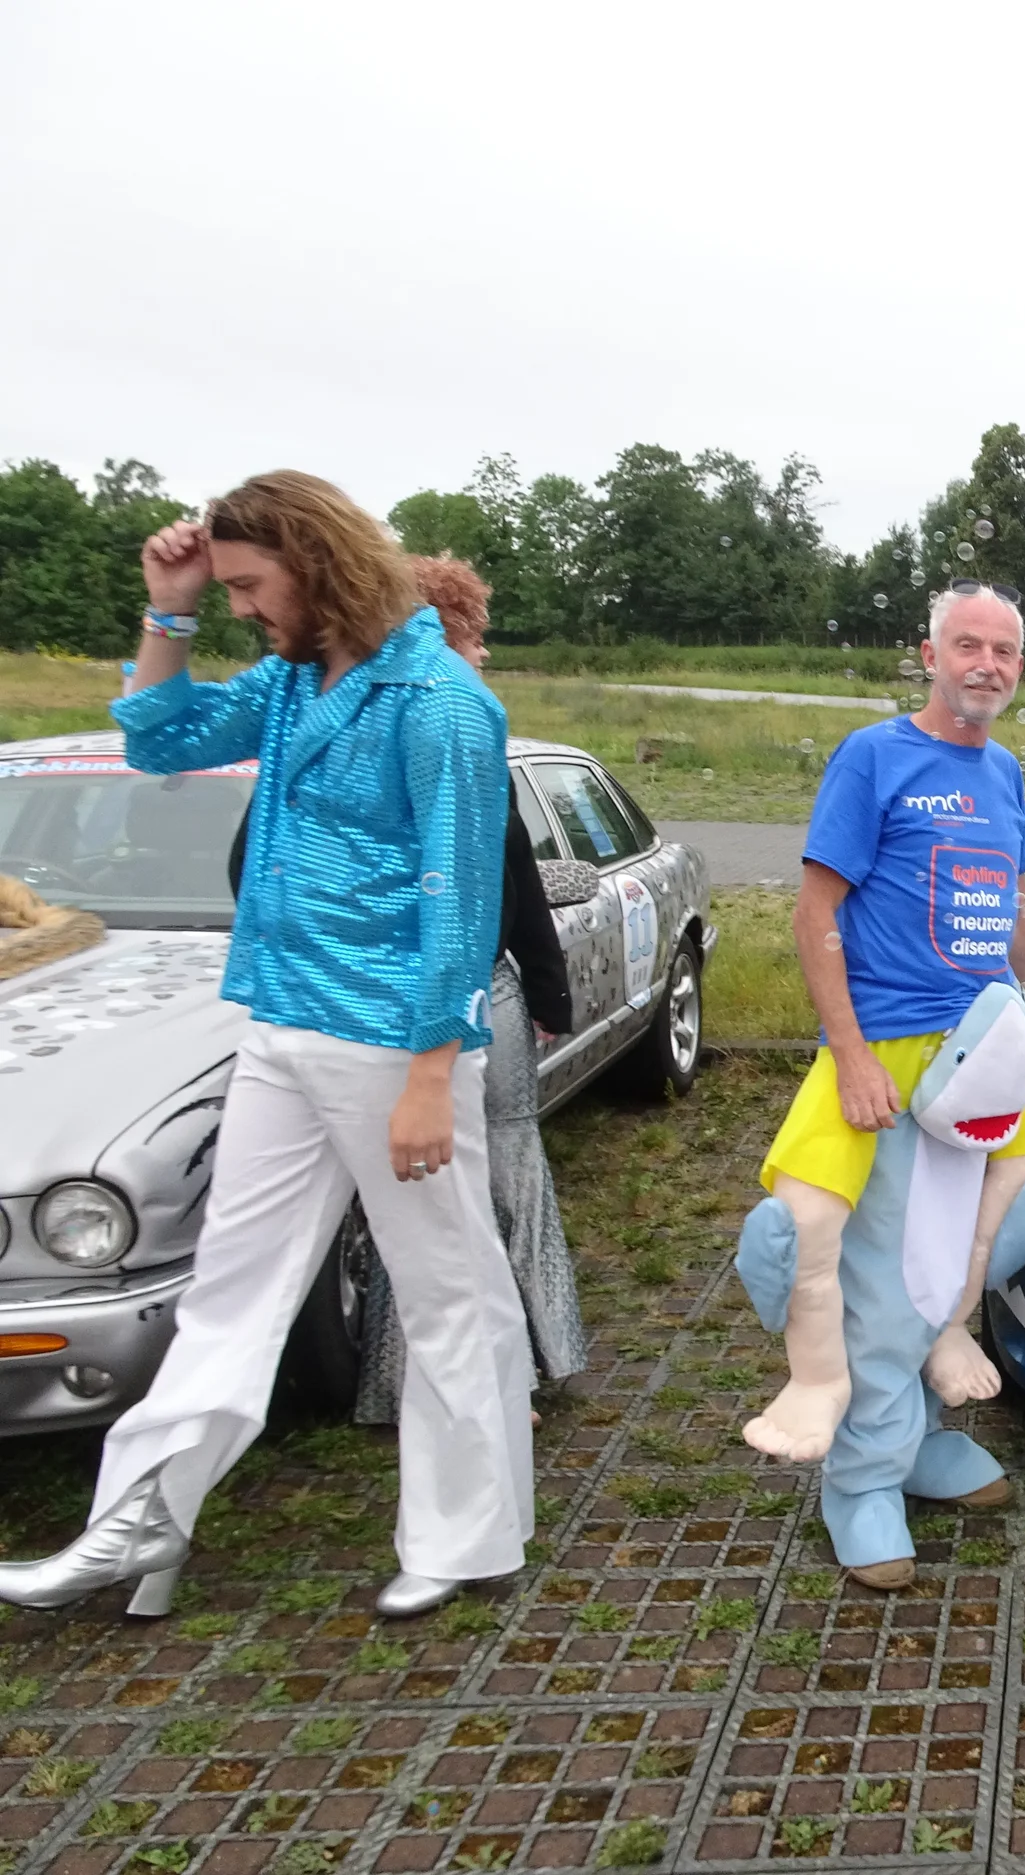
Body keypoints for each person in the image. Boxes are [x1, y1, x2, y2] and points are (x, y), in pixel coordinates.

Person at [0, 474, 531, 1622]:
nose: (243, 606)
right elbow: (159, 739)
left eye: (250, 584)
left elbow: (458, 899)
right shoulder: (297, 683)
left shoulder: (437, 702)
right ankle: (138, 1525)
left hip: (392, 1039)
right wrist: (168, 608)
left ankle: (467, 1536)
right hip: (282, 1021)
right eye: (228, 588)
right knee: (232, 1289)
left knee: (447, 1289)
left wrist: (435, 1072)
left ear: (318, 561)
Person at [747, 580, 1025, 1589]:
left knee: (1013, 1218)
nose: (987, 664)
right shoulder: (874, 756)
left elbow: (1018, 905)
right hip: (891, 1052)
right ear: (930, 654)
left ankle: (923, 1425)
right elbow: (817, 917)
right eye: (968, 646)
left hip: (986, 1049)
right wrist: (848, 1052)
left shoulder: (1005, 773)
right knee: (880, 1267)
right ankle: (863, 1477)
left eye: (1006, 651)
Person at [352, 556, 588, 1425]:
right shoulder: (460, 731)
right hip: (462, 1000)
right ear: (445, 634)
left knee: (414, 1199)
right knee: (503, 1180)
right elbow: (517, 886)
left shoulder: (348, 745)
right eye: (476, 635)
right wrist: (547, 996)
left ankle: (419, 1379)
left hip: (377, 1001)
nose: (484, 654)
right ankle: (524, 1362)